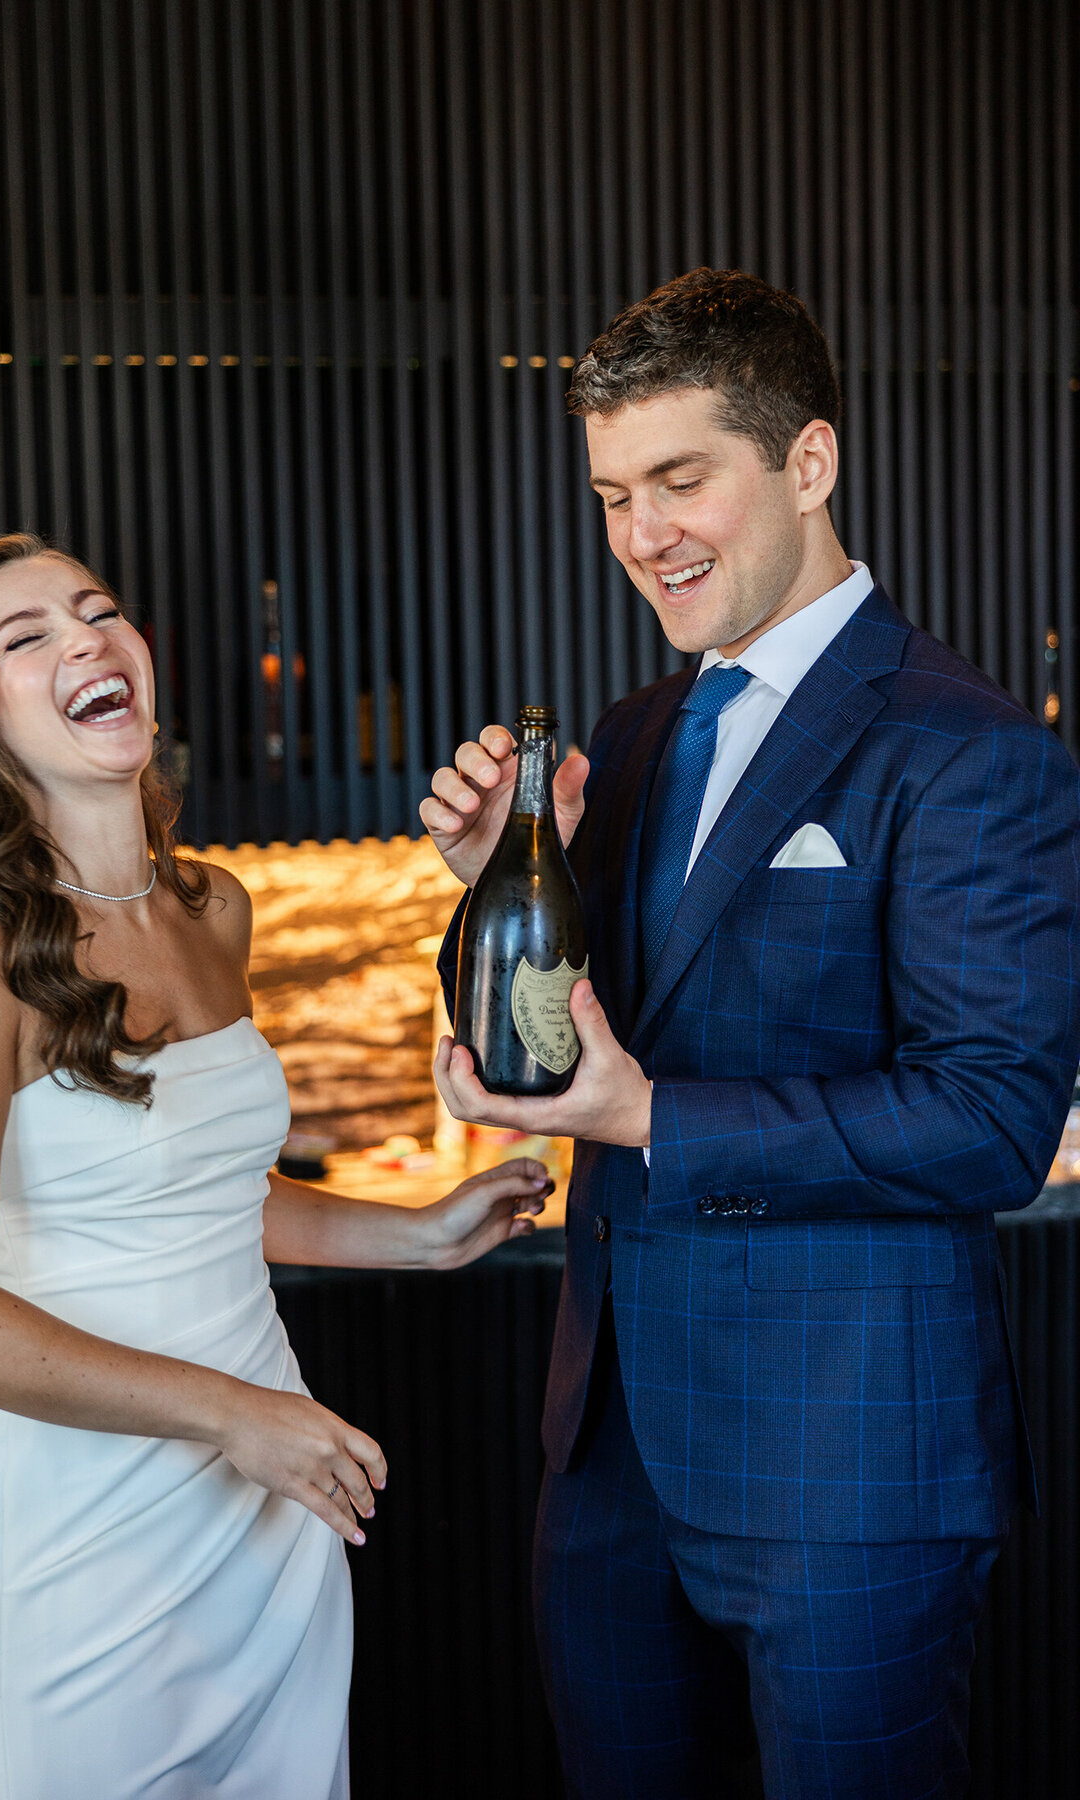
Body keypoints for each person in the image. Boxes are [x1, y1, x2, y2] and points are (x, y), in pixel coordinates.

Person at [422, 268, 1080, 1800]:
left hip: (849, 1473)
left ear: (808, 462)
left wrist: (653, 1117)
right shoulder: (641, 730)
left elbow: (990, 1119)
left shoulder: (969, 747)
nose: (642, 536)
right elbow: (566, 1034)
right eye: (610, 494)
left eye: (678, 479)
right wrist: (487, 894)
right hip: (610, 1465)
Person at [0, 533, 552, 1800]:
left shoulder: (214, 910)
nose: (86, 639)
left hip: (268, 1516)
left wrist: (416, 1229)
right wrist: (237, 1416)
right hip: (82, 1534)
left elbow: (195, 1199)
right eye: (27, 638)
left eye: (99, 612)